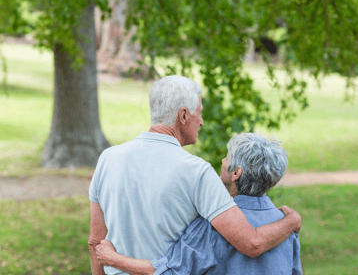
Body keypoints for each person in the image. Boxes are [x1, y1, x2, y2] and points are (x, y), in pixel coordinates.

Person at [88, 75, 301, 275]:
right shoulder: (196, 171)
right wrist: (291, 222)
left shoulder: (107, 159)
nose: (201, 121)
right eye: (198, 113)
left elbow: (96, 242)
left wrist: (113, 261)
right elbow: (252, 243)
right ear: (183, 115)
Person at [95, 133, 302, 274]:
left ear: (236, 173)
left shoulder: (214, 225)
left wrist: (113, 259)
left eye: (228, 157)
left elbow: (169, 270)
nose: (222, 161)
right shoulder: (285, 226)